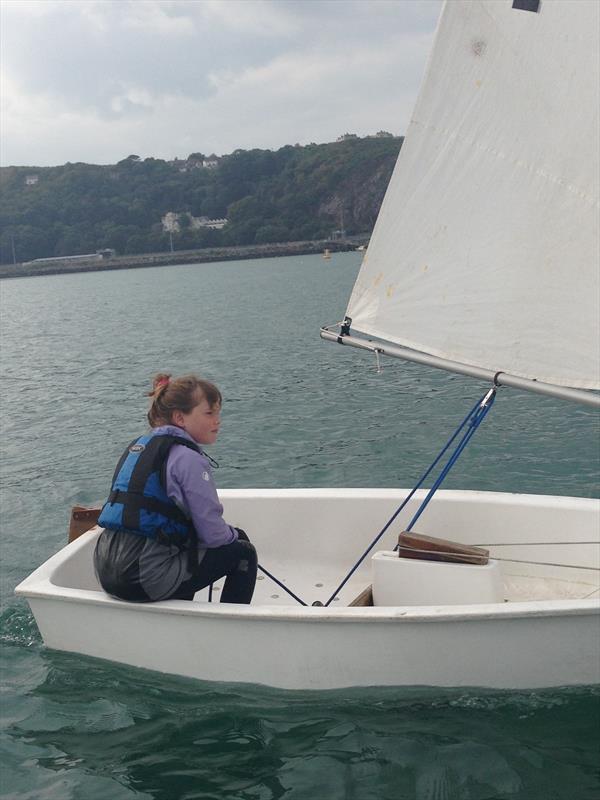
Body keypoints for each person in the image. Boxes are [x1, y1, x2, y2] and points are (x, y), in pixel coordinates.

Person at [93, 373, 257, 604]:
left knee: (187, 544)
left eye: (218, 413)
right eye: (209, 413)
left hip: (105, 570)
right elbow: (213, 534)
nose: (217, 420)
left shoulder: (138, 447)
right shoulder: (187, 459)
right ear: (180, 418)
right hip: (142, 579)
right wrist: (237, 537)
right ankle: (228, 631)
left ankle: (179, 614)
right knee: (243, 552)